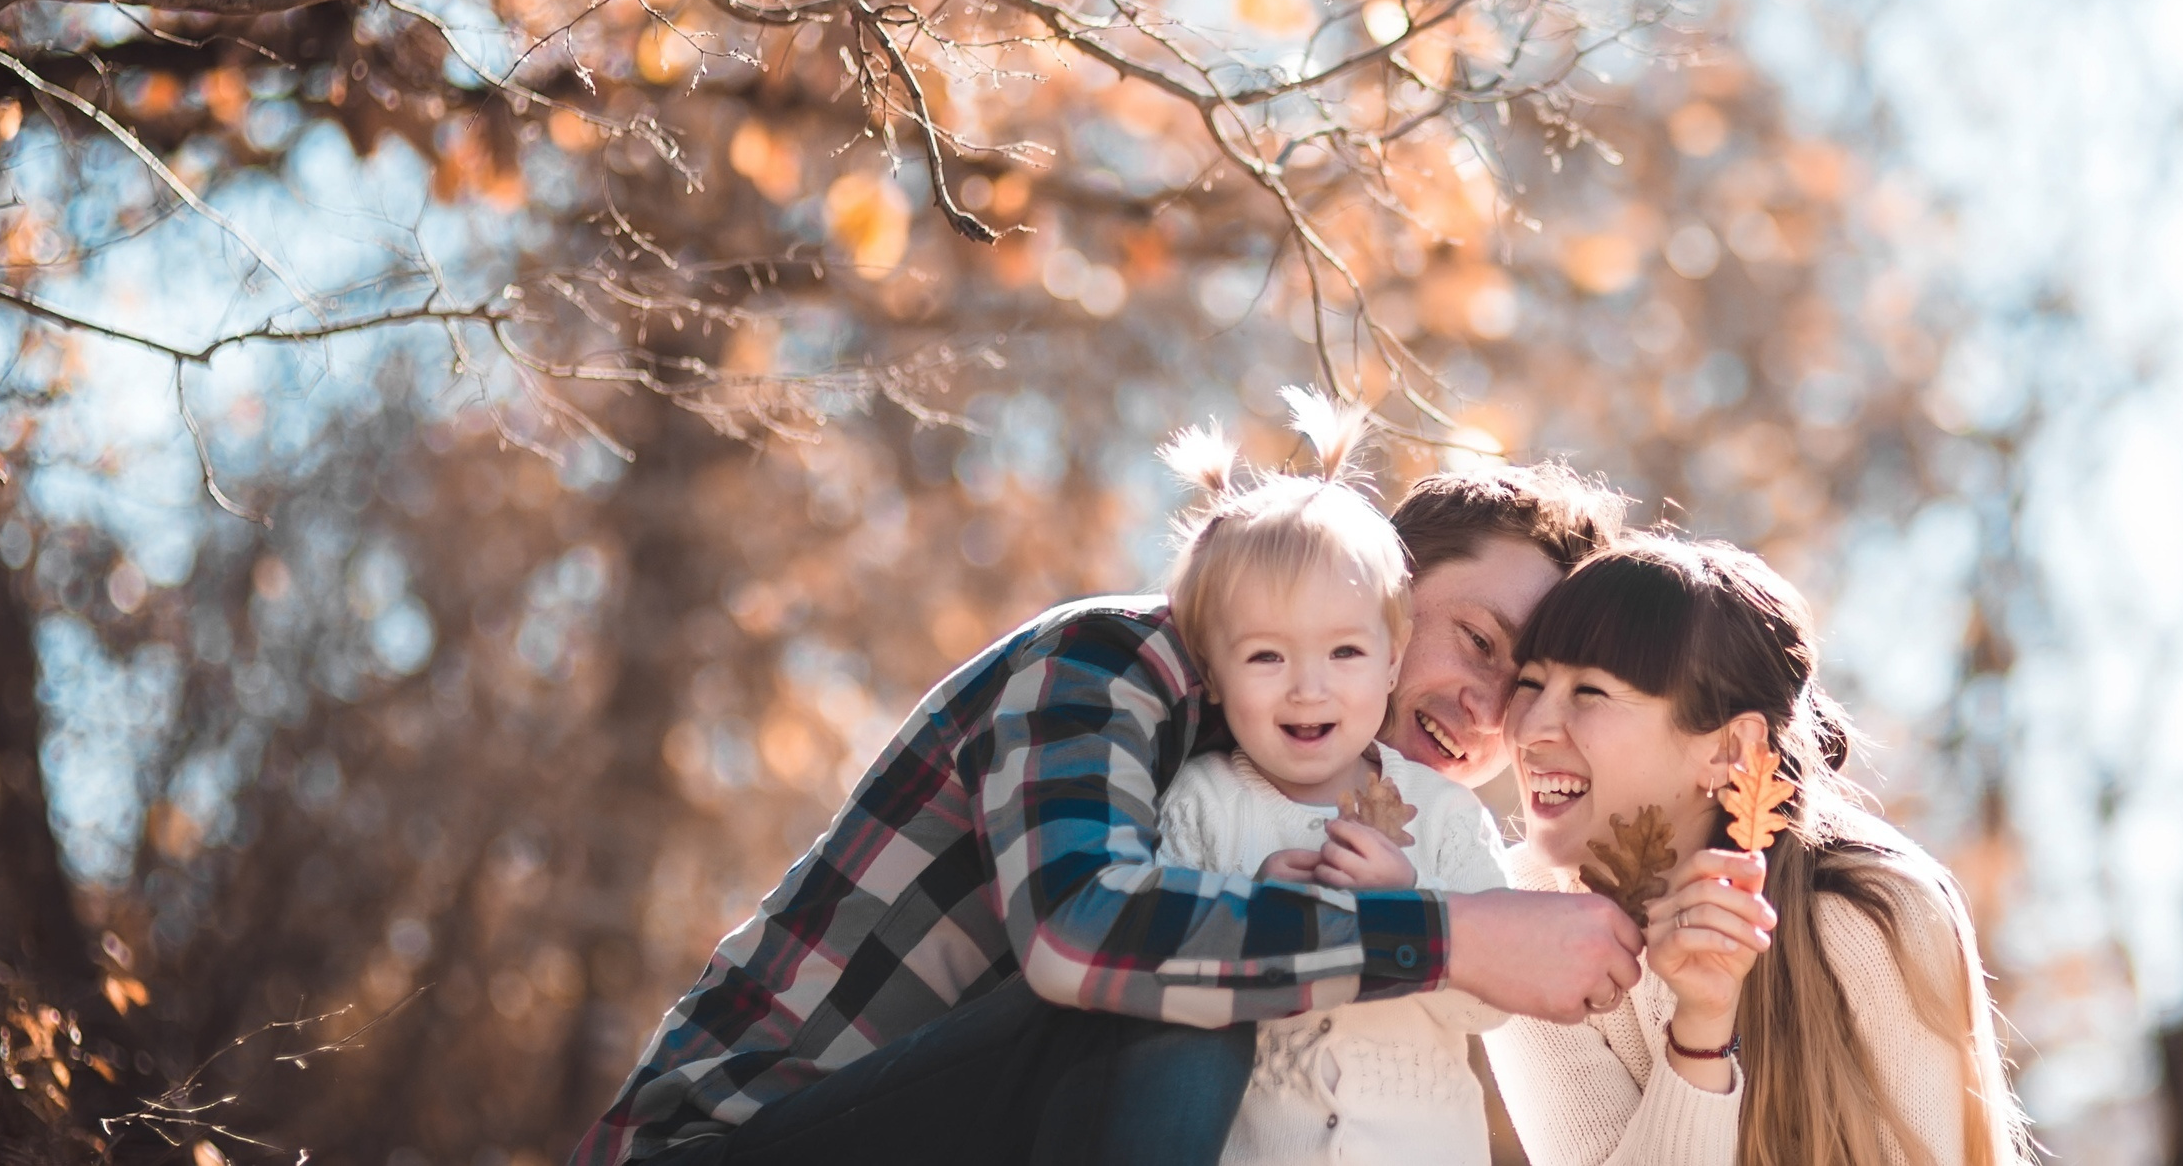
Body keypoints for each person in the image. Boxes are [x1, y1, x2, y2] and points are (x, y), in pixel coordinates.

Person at [568, 434, 1638, 1166]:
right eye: (1482, 643)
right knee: (1190, 980)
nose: (1489, 700)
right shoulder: (1119, 660)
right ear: (1386, 588)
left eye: (1530, 685)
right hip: (732, 1137)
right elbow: (1082, 934)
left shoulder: (1380, 819)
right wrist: (1448, 936)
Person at [1484, 536, 2033, 1166]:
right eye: (1530, 682)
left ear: (1728, 750)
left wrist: (1709, 1015)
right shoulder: (1519, 915)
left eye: (1590, 692)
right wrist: (1698, 1036)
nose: (1530, 729)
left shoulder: (1868, 915)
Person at [1149, 414, 1511, 1164]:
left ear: (1391, 659)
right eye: (1266, 656)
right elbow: (1158, 981)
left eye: (1345, 650)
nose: (1309, 687)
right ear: (1213, 674)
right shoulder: (1203, 801)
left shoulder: (1445, 813)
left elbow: (1494, 1002)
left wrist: (1412, 903)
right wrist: (1248, 909)